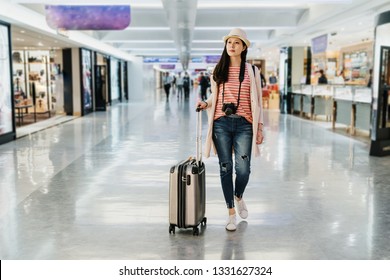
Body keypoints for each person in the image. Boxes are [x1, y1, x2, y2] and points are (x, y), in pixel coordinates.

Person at [196, 28, 264, 231]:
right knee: (225, 168)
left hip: (245, 123)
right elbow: (214, 96)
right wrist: (206, 104)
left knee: (243, 169)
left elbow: (258, 100)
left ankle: (239, 196)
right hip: (221, 123)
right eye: (229, 43)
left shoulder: (252, 71)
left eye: (236, 42)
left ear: (243, 47)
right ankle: (231, 213)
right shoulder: (218, 69)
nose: (232, 46)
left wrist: (259, 127)